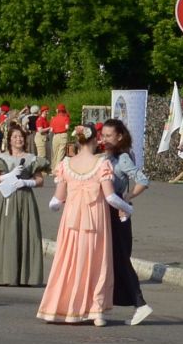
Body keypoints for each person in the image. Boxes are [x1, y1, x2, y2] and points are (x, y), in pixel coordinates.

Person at [36, 125, 120, 326]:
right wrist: (128, 208)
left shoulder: (66, 164)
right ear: (94, 140)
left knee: (68, 260)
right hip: (95, 219)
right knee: (96, 261)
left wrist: (59, 204)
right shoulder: (102, 164)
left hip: (72, 221)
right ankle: (96, 310)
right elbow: (111, 197)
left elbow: (56, 200)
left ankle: (62, 307)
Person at [99, 118, 153, 325]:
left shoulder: (122, 158)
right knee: (110, 260)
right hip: (107, 210)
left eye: (108, 135)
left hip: (117, 212)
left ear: (119, 136)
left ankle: (140, 303)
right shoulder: (107, 156)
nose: (104, 139)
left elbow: (143, 180)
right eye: (103, 135)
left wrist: (127, 197)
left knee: (120, 259)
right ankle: (103, 306)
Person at [0, 123, 48, 286]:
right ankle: (5, 275)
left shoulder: (31, 159)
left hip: (25, 199)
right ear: (9, 140)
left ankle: (25, 277)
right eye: (15, 137)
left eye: (20, 137)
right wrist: (9, 175)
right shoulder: (2, 158)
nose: (18, 139)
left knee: (25, 234)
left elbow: (40, 181)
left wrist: (26, 182)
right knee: (6, 235)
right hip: (5, 199)